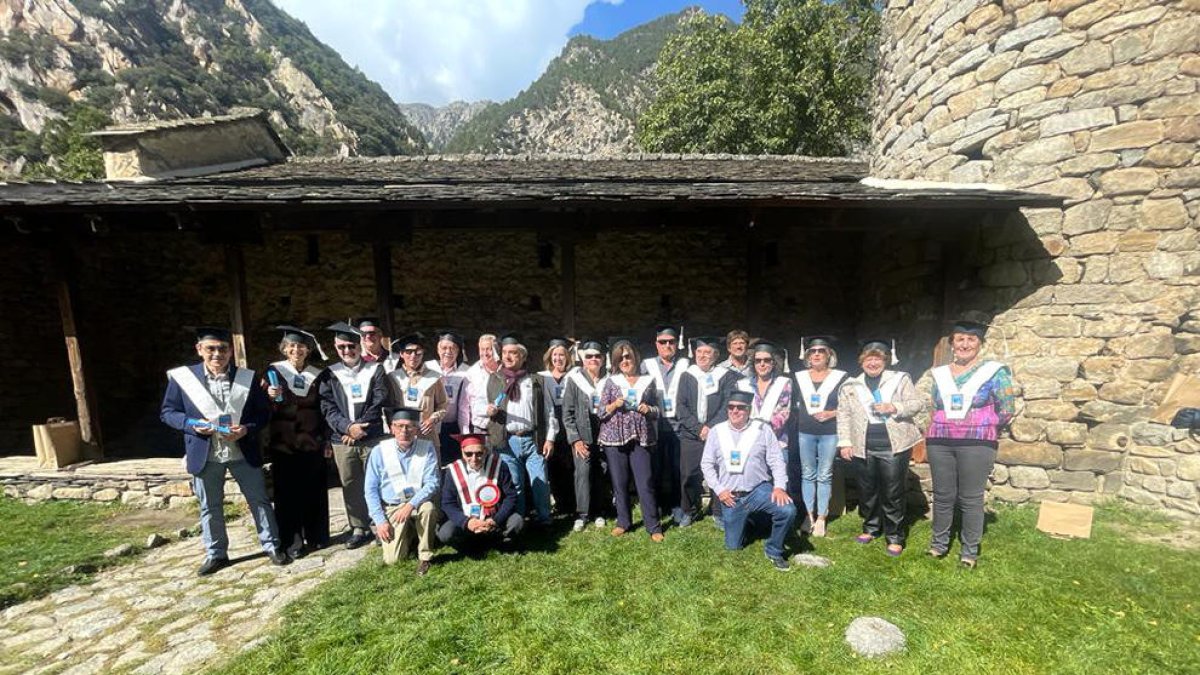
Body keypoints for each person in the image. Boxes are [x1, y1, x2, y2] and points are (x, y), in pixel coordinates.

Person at [160, 327, 288, 575]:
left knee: (259, 501)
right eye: (211, 349)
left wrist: (246, 429)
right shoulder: (183, 379)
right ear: (200, 350)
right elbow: (168, 413)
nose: (217, 354)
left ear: (230, 351)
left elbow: (263, 413)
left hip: (241, 449)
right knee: (210, 506)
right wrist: (191, 425)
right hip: (205, 452)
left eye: (222, 349)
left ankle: (272, 546)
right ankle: (216, 554)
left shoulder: (246, 378)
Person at [924, 319, 1018, 568]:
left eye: (971, 339)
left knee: (970, 497)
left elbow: (1007, 408)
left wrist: (981, 423)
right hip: (940, 440)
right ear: (952, 343)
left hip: (976, 443)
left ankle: (969, 550)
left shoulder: (995, 371)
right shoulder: (941, 373)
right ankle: (938, 544)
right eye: (960, 339)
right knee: (943, 495)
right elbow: (936, 403)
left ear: (979, 343)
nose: (965, 344)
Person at [836, 339, 926, 557]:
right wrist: (845, 442)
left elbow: (916, 404)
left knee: (893, 491)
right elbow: (843, 414)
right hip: (862, 445)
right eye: (868, 358)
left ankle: (895, 536)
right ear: (861, 361)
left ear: (886, 361)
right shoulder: (851, 385)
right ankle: (871, 527)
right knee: (867, 490)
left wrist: (894, 407)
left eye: (877, 358)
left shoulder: (899, 379)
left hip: (893, 445)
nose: (873, 362)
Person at [701, 390, 796, 572]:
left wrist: (779, 487)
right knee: (733, 547)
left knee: (788, 510)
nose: (735, 411)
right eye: (731, 407)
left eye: (740, 408)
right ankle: (751, 522)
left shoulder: (762, 430)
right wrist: (719, 490)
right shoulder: (716, 431)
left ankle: (774, 549)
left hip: (757, 490)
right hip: (731, 497)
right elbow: (706, 464)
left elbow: (776, 460)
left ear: (749, 410)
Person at [318, 321, 390, 549]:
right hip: (343, 439)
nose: (347, 351)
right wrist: (347, 428)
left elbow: (379, 399)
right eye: (342, 348)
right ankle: (358, 527)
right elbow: (327, 407)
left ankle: (378, 524)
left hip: (372, 436)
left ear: (359, 345)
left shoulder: (375, 369)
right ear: (335, 347)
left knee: (376, 482)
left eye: (351, 346)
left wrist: (359, 428)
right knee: (350, 483)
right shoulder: (330, 375)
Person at [262, 325, 330, 558]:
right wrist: (269, 397)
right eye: (291, 345)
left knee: (314, 489)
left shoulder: (318, 374)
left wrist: (326, 439)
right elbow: (263, 407)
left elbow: (324, 408)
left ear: (308, 349)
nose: (296, 349)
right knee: (288, 493)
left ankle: (317, 535)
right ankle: (292, 540)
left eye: (301, 345)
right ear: (284, 349)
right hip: (285, 443)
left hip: (312, 440)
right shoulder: (274, 372)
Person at [600, 339, 664, 542]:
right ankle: (623, 522)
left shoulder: (648, 381)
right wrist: (614, 405)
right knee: (619, 483)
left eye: (628, 356)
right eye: (621, 358)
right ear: (616, 362)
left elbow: (658, 410)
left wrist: (649, 409)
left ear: (635, 357)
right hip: (613, 438)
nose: (625, 361)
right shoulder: (611, 382)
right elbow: (600, 411)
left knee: (645, 482)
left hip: (641, 437)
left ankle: (653, 526)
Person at [364, 408, 441, 575]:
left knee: (428, 509)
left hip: (417, 503)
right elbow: (370, 490)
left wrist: (410, 505)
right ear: (392, 428)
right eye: (399, 426)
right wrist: (379, 521)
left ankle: (425, 556)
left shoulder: (426, 448)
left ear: (416, 429)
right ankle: (410, 535)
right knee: (393, 560)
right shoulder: (379, 452)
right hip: (392, 507)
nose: (404, 431)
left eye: (410, 426)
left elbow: (432, 483)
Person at [675, 336, 741, 527]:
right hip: (691, 434)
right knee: (688, 473)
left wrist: (711, 428)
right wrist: (698, 429)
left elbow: (727, 404)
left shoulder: (725, 376)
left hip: (718, 433)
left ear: (716, 355)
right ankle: (689, 509)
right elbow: (681, 406)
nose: (702, 356)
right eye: (699, 352)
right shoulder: (687, 375)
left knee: (719, 473)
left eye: (707, 352)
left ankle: (718, 511)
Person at [491, 334, 551, 526]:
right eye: (505, 353)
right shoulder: (495, 380)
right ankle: (518, 521)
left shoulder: (536, 381)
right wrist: (488, 411)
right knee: (515, 483)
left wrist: (549, 438)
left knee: (539, 481)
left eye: (513, 353)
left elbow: (548, 412)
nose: (508, 356)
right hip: (507, 440)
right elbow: (480, 406)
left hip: (532, 439)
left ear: (523, 357)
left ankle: (544, 520)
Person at [793, 336, 847, 537]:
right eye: (812, 351)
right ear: (807, 356)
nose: (816, 354)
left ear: (829, 355)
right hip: (805, 431)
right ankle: (809, 515)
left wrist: (831, 413)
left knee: (824, 474)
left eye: (821, 351)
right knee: (808, 474)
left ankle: (822, 517)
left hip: (829, 432)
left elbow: (849, 405)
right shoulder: (799, 377)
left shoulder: (841, 377)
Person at [438, 433, 523, 550]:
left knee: (516, 521)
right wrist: (467, 522)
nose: (474, 458)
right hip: (467, 519)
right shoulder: (452, 471)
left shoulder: (499, 466)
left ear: (485, 451)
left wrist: (495, 520)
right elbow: (447, 503)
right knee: (445, 534)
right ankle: (474, 544)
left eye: (479, 453)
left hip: (493, 519)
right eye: (469, 454)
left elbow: (511, 496)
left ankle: (495, 540)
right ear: (462, 452)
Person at [561, 339, 612, 532]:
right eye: (589, 356)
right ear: (583, 359)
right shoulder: (575, 380)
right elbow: (567, 413)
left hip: (605, 435)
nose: (593, 359)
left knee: (602, 472)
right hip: (583, 435)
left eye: (597, 356)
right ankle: (582, 514)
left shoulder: (610, 379)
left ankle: (599, 511)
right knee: (582, 474)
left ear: (603, 359)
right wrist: (575, 440)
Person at [641, 325, 690, 525]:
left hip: (680, 426)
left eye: (671, 342)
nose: (667, 345)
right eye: (663, 342)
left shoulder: (686, 364)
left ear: (676, 344)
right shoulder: (646, 365)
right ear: (656, 344)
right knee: (656, 468)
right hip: (655, 426)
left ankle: (678, 505)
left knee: (678, 468)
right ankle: (658, 505)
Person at [385, 332, 449, 459]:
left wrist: (433, 419)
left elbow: (443, 404)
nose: (413, 356)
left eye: (418, 352)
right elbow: (387, 407)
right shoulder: (393, 378)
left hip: (426, 434)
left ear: (422, 353)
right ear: (402, 354)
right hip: (401, 436)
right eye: (409, 352)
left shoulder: (434, 377)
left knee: (430, 474)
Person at [539, 337, 576, 517]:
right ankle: (560, 502)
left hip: (570, 421)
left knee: (571, 463)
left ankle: (573, 502)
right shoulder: (542, 377)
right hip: (551, 424)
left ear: (567, 357)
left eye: (562, 355)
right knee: (554, 464)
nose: (558, 358)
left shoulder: (574, 375)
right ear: (549, 357)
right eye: (555, 355)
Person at [426, 331, 470, 463]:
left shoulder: (466, 371)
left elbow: (465, 405)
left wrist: (464, 433)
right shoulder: (427, 368)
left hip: (452, 426)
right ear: (438, 349)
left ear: (458, 351)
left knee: (453, 465)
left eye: (452, 348)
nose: (448, 351)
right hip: (430, 427)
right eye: (444, 348)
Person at [745, 341, 792, 451]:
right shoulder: (743, 384)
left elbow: (783, 413)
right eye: (758, 361)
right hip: (748, 443)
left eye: (766, 360)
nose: (762, 364)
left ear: (773, 363)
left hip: (777, 443)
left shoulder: (783, 383)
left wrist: (763, 435)